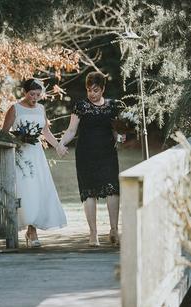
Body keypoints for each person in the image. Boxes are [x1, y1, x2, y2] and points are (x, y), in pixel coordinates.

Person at [59, 71, 125, 247]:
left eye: (95, 90)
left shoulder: (113, 106)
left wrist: (120, 137)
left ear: (103, 89)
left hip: (107, 154)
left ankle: (113, 230)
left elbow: (115, 131)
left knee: (112, 189)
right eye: (89, 90)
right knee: (89, 192)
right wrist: (61, 144)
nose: (92, 94)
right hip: (86, 154)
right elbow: (71, 130)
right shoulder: (81, 106)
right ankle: (93, 233)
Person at [2, 78, 68, 247]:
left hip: (37, 154)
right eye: (32, 94)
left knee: (38, 189)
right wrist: (18, 139)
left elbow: (46, 132)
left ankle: (33, 230)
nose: (35, 98)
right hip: (21, 155)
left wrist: (59, 146)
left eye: (38, 95)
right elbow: (2, 133)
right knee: (25, 190)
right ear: (25, 92)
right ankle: (29, 230)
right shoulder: (15, 109)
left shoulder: (40, 108)